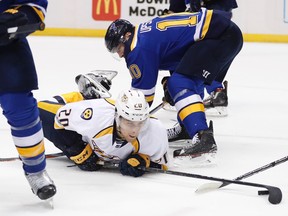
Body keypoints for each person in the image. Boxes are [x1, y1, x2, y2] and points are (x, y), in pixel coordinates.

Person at [104, 8, 243, 158]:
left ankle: (203, 138)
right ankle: (188, 127)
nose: (120, 53)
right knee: (183, 81)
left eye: (118, 47)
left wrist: (123, 122)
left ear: (127, 36)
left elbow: (141, 99)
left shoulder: (137, 48)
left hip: (219, 37)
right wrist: (167, 86)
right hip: (225, 34)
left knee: (179, 83)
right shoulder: (144, 34)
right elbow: (178, 52)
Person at [38, 75, 169, 177]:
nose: (135, 130)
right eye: (129, 122)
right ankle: (86, 95)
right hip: (83, 107)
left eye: (140, 123)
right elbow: (39, 112)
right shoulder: (94, 116)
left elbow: (162, 163)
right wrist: (76, 150)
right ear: (117, 117)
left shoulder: (155, 131)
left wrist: (142, 161)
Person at [0, 1, 56, 200]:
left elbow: (34, 7)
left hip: (5, 49)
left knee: (19, 106)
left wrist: (16, 18)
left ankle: (36, 171)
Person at [163, 0, 238, 117]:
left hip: (215, 6)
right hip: (207, 8)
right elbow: (177, 7)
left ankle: (214, 92)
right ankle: (203, 94)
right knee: (195, 51)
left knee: (207, 50)